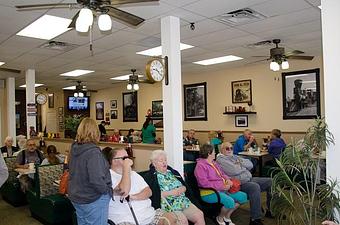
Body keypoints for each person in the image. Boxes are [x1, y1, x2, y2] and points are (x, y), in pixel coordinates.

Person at [107, 148, 176, 225]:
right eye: (124, 158)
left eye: (127, 157)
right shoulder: (108, 176)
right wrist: (126, 167)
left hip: (149, 215)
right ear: (113, 160)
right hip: (125, 219)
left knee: (172, 218)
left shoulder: (134, 174)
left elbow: (148, 192)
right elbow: (123, 190)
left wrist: (134, 197)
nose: (128, 160)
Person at [68, 118, 113, 225]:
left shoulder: (74, 148)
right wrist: (106, 191)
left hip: (76, 196)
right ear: (96, 132)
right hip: (93, 198)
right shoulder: (93, 153)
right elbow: (96, 179)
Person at [216, 142, 273, 225]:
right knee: (254, 187)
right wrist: (243, 167)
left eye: (231, 148)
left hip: (249, 178)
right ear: (222, 150)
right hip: (239, 183)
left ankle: (270, 210)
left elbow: (250, 165)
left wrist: (239, 165)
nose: (230, 150)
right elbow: (234, 170)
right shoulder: (221, 159)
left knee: (271, 181)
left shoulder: (234, 156)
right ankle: (255, 219)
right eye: (227, 148)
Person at [144, 150, 205, 225]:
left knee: (199, 215)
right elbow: (152, 194)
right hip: (168, 205)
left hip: (182, 202)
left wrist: (183, 188)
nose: (164, 162)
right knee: (183, 221)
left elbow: (185, 186)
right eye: (161, 161)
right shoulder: (150, 177)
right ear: (154, 164)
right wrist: (172, 193)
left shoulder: (173, 172)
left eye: (165, 160)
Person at [194, 144, 248, 225]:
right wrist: (221, 186)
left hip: (223, 189)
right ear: (209, 153)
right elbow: (204, 183)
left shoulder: (214, 163)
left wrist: (228, 179)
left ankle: (227, 217)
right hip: (209, 193)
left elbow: (222, 174)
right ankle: (220, 218)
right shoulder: (200, 166)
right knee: (230, 202)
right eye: (214, 152)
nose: (215, 153)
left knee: (243, 197)